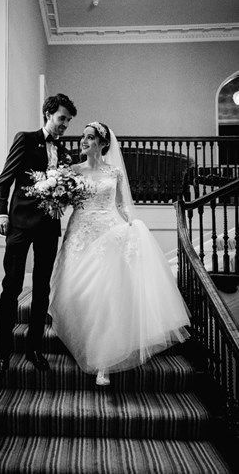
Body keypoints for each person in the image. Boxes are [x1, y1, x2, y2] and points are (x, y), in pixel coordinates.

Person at [49, 121, 190, 386]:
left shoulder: (114, 172)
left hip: (108, 230)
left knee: (105, 291)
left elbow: (120, 204)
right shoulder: (71, 171)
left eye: (90, 138)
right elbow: (64, 200)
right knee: (76, 288)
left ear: (103, 144)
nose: (83, 140)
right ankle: (77, 332)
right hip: (79, 232)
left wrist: (130, 224)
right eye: (83, 136)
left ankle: (102, 357)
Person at [0, 93, 77, 378]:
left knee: (42, 290)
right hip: (18, 224)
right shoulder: (26, 139)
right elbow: (4, 181)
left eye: (68, 120)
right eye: (61, 118)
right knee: (12, 288)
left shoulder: (65, 153)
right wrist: (0, 213)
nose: (65, 124)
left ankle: (34, 349)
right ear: (48, 114)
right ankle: (3, 354)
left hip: (49, 227)